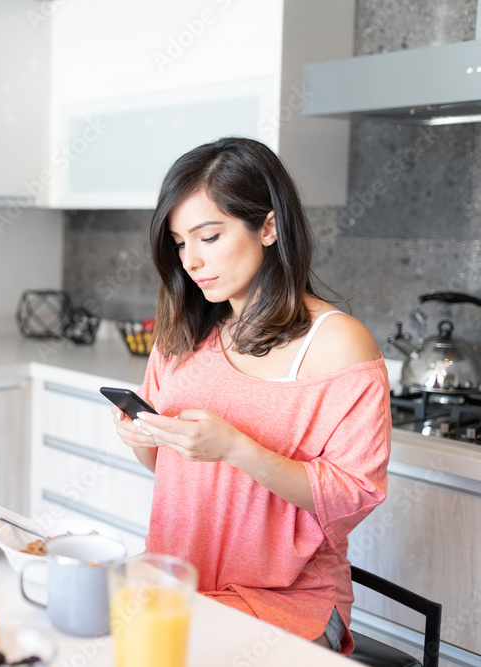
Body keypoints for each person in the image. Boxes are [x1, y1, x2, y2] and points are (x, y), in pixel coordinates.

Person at [112, 137, 389, 654]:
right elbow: (176, 471)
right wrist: (141, 434)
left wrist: (236, 448)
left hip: (287, 599)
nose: (191, 260)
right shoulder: (182, 334)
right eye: (178, 242)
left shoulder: (335, 343)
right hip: (181, 584)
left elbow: (354, 495)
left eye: (209, 236)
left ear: (268, 226)